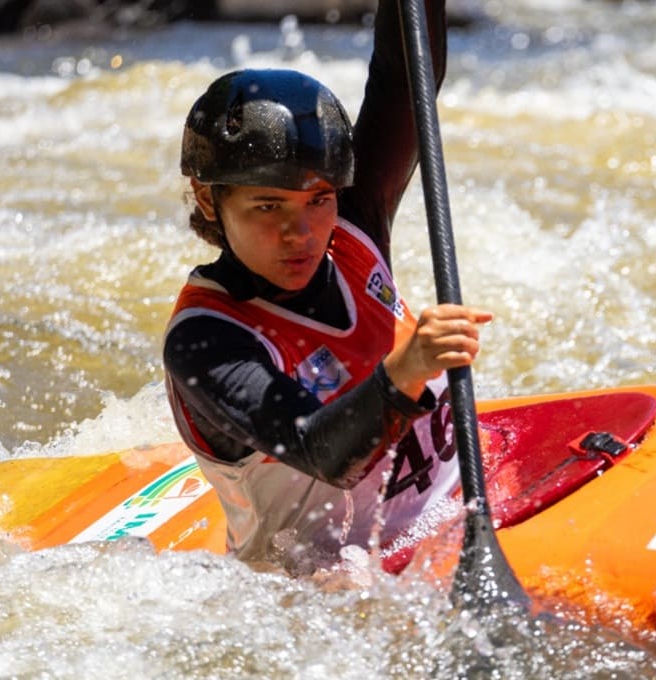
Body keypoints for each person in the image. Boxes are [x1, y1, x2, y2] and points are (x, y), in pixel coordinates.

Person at [162, 0, 489, 575]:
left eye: (319, 200)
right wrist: (405, 370)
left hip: (456, 512)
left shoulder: (353, 226)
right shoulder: (206, 341)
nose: (303, 232)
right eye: (269, 207)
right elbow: (318, 449)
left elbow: (406, 77)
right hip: (330, 588)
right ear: (209, 199)